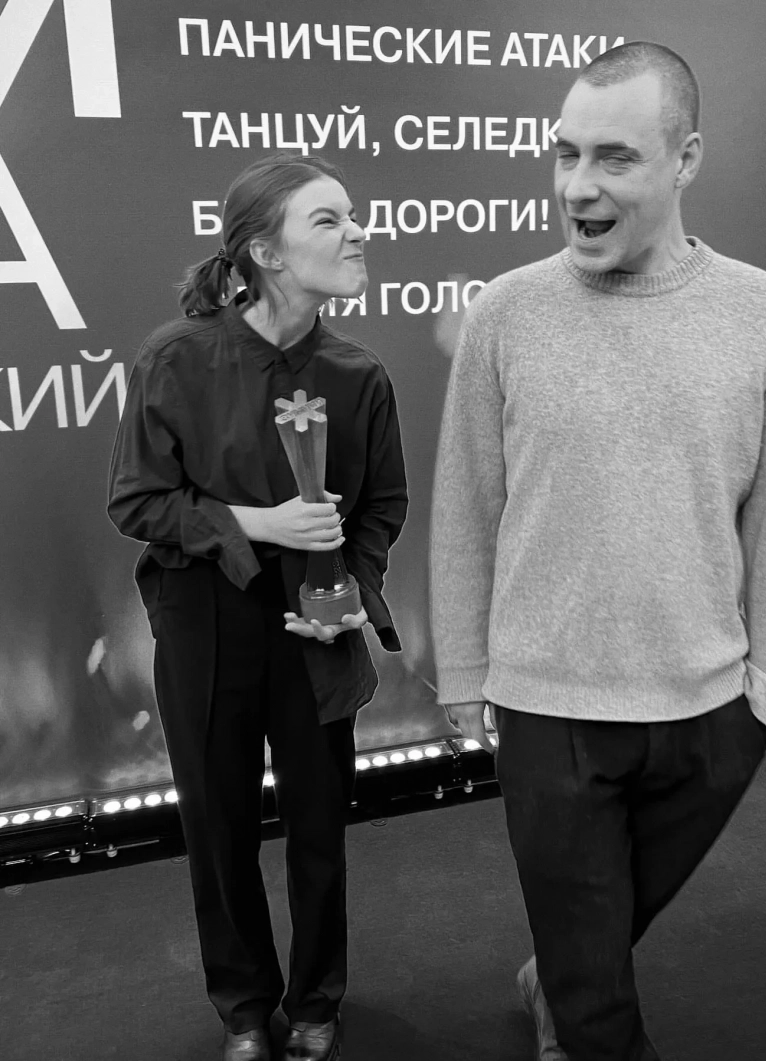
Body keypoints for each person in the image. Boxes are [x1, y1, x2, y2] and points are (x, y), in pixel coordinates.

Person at [430, 41, 766, 1061]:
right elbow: (467, 504)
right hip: (549, 706)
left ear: (685, 160)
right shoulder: (506, 312)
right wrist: (465, 671)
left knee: (590, 940)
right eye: (565, 154)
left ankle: (558, 977)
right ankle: (574, 1001)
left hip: (713, 707)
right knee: (599, 1019)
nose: (577, 186)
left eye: (613, 157)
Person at [108, 152, 407, 1061]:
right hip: (205, 625)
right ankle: (243, 1006)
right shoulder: (176, 358)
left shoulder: (360, 375)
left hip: (315, 628)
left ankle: (317, 998)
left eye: (352, 214)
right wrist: (257, 521)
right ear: (267, 253)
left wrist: (349, 593)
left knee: (319, 824)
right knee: (218, 825)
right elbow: (137, 501)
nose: (357, 232)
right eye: (330, 220)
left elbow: (380, 508)